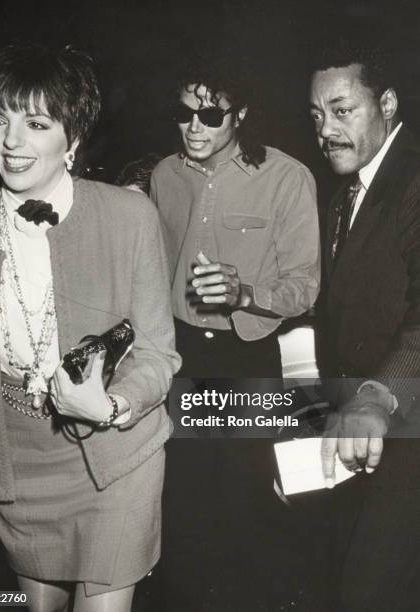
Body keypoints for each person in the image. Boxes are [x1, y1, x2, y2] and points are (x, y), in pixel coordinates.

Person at [0, 43, 180, 612]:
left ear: (73, 137)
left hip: (113, 459)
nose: (11, 142)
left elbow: (157, 354)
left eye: (35, 123)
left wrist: (109, 405)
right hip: (14, 463)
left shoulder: (130, 218)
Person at [150, 57, 320, 609]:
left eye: (210, 114)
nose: (194, 126)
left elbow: (305, 285)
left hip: (247, 358)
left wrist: (245, 294)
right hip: (178, 356)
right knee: (179, 504)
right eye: (184, 114)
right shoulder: (163, 176)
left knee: (244, 507)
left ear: (240, 113)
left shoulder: (287, 177)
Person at [309, 39, 420, 611]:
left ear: (390, 104)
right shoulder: (341, 194)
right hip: (363, 436)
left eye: (342, 109)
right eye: (316, 114)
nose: (325, 129)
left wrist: (378, 395)